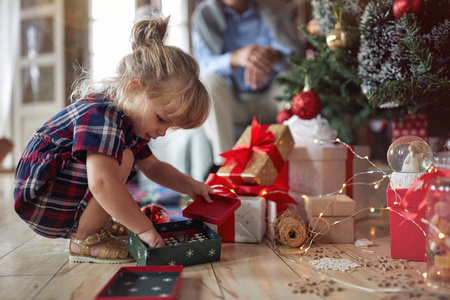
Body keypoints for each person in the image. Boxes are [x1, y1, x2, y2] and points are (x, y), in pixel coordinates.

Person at [14, 13, 213, 264]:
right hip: (43, 198)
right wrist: (145, 229)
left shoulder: (129, 120)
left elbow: (153, 167)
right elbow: (102, 183)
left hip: (59, 194)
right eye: (162, 119)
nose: (163, 131)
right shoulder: (102, 115)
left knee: (126, 159)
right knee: (123, 160)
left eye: (170, 126)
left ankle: (96, 226)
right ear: (133, 89)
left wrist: (189, 184)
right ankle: (85, 240)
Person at [191, 0, 303, 168]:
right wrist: (237, 58)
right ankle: (225, 165)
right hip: (234, 101)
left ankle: (295, 162)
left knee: (292, 78)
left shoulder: (275, 8)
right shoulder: (204, 15)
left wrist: (273, 57)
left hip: (271, 97)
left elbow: (298, 58)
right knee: (209, 83)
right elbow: (203, 64)